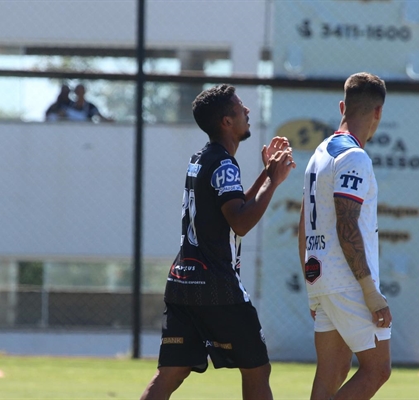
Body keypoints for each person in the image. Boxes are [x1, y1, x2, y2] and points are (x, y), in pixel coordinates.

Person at [140, 84, 296, 400]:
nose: (247, 111)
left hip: (183, 281)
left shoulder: (201, 158)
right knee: (257, 368)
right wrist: (275, 183)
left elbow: (230, 210)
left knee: (171, 372)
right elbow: (240, 222)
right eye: (240, 108)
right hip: (216, 286)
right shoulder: (224, 163)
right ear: (227, 121)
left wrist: (266, 176)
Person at [298, 72, 393, 400]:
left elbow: (303, 225)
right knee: (378, 369)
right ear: (378, 112)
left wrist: (312, 290)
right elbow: (347, 226)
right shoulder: (354, 156)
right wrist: (370, 291)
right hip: (347, 281)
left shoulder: (319, 154)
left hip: (322, 278)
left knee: (333, 371)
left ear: (343, 106)